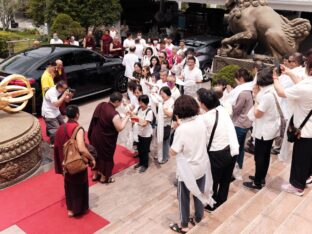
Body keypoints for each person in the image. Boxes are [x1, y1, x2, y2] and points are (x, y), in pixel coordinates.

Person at [169, 95, 214, 234]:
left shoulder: (181, 129)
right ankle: (199, 217)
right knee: (199, 194)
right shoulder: (201, 121)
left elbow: (173, 152)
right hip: (201, 165)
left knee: (183, 198)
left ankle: (183, 225)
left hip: (187, 170)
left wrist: (175, 129)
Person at [274, 60, 312, 196]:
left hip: (305, 131)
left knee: (300, 160)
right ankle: (307, 177)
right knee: (309, 158)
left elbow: (281, 92)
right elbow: (301, 84)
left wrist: (275, 77)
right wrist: (289, 73)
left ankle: (297, 186)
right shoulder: (306, 86)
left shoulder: (306, 87)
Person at [197, 89, 239, 211]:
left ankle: (212, 204)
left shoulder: (204, 119)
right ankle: (222, 200)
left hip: (218, 153)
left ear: (203, 104)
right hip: (232, 149)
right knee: (225, 180)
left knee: (213, 181)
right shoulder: (223, 110)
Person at [54, 105, 96, 217]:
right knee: (79, 185)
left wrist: (62, 164)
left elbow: (57, 147)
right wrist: (92, 159)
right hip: (76, 162)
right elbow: (82, 148)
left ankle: (71, 210)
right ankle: (79, 209)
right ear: (77, 114)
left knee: (69, 186)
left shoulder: (60, 128)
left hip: (66, 164)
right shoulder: (78, 128)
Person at [243, 68, 280, 190]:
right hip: (270, 128)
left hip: (264, 130)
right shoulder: (273, 90)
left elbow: (258, 114)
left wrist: (255, 101)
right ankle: (261, 177)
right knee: (265, 155)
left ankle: (258, 182)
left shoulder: (266, 96)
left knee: (259, 156)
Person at [88, 92, 130, 183]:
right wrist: (127, 117)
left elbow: (95, 119)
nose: (120, 104)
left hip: (95, 135)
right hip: (105, 140)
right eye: (120, 102)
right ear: (117, 102)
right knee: (106, 158)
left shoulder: (101, 105)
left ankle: (95, 174)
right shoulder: (114, 114)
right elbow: (119, 128)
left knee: (96, 155)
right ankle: (104, 177)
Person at [230, 68, 254, 180]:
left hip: (239, 123)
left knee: (235, 148)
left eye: (236, 79)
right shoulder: (251, 89)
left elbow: (236, 109)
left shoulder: (243, 92)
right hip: (247, 123)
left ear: (241, 79)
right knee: (240, 148)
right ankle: (238, 169)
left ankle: (234, 171)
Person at [42, 81, 72, 146]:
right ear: (59, 87)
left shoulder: (61, 91)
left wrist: (70, 96)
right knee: (55, 131)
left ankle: (50, 132)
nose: (65, 90)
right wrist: (64, 95)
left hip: (56, 112)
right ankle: (53, 145)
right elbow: (57, 104)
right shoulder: (51, 92)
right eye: (64, 88)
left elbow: (67, 100)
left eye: (66, 88)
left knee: (63, 126)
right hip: (48, 113)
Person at [132, 95, 153, 173]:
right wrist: (133, 118)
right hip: (139, 133)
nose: (140, 104)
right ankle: (140, 162)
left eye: (141, 102)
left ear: (146, 103)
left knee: (144, 150)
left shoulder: (149, 111)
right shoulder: (139, 109)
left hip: (146, 134)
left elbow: (145, 123)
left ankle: (145, 165)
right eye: (139, 102)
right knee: (139, 149)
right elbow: (135, 118)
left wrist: (136, 120)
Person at [159, 86, 174, 164]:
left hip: (168, 124)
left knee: (166, 141)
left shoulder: (171, 101)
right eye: (160, 94)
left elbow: (170, 114)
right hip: (162, 123)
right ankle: (162, 155)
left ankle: (165, 157)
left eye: (162, 94)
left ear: (167, 93)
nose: (161, 95)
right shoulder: (164, 100)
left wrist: (163, 109)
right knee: (163, 140)